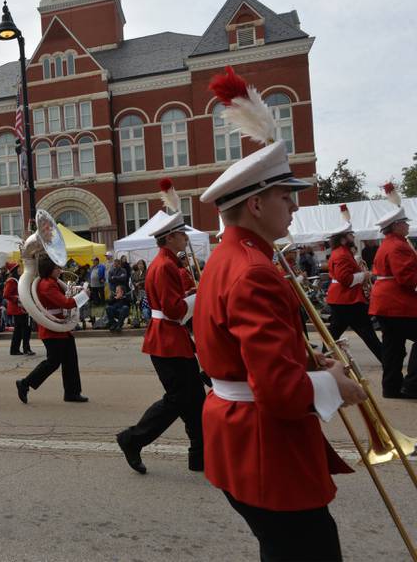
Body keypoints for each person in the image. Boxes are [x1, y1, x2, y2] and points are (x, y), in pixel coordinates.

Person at [193, 102, 366, 559]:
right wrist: (335, 385)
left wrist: (311, 361)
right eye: (285, 195)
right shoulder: (253, 269)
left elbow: (246, 349)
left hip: (243, 436)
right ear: (255, 203)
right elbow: (277, 391)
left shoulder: (231, 257)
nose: (294, 204)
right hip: (263, 443)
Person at [116, 211, 204, 475]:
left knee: (196, 400)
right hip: (168, 339)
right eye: (182, 234)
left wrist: (189, 293)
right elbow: (174, 310)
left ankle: (199, 456)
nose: (186, 238)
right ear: (170, 237)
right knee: (179, 399)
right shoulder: (165, 265)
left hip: (170, 338)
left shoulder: (165, 262)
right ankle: (132, 439)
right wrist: (198, 298)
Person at [15, 254, 88, 404]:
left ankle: (72, 392)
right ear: (49, 269)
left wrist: (75, 291)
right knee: (53, 362)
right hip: (52, 329)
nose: (60, 270)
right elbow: (65, 303)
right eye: (57, 268)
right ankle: (25, 383)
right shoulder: (47, 284)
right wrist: (84, 296)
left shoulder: (51, 282)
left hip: (60, 328)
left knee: (70, 360)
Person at [369, 205, 417, 399]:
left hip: (386, 304)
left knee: (393, 348)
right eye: (405, 223)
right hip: (397, 304)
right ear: (396, 225)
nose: (407, 226)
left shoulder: (388, 244)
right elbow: (407, 277)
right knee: (393, 347)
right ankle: (412, 384)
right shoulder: (399, 246)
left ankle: (391, 387)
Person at [324, 222, 383, 362]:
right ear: (343, 239)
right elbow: (346, 280)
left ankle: (322, 359)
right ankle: (387, 360)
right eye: (350, 235)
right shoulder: (342, 254)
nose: (353, 237)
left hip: (343, 299)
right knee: (368, 333)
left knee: (333, 334)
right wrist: (365, 275)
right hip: (348, 300)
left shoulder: (341, 252)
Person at [3, 261, 34, 356]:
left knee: (22, 329)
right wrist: (17, 299)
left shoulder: (17, 279)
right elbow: (6, 294)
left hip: (21, 308)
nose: (20, 269)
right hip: (18, 308)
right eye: (18, 268)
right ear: (15, 270)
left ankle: (18, 349)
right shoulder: (12, 281)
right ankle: (23, 349)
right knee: (23, 329)